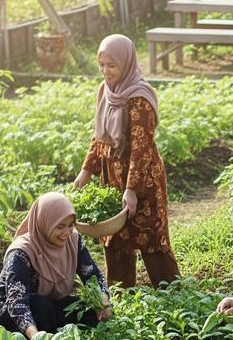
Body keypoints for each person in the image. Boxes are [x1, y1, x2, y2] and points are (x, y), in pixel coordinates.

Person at [73, 34, 180, 289]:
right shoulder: (106, 91)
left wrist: (131, 189)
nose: (105, 71)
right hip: (112, 175)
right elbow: (99, 135)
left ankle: (173, 292)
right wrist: (87, 170)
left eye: (112, 65)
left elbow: (141, 149)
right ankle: (122, 294)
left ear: (126, 62)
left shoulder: (139, 98)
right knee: (115, 238)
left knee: (151, 236)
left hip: (143, 177)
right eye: (101, 65)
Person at [0, 192, 113, 338]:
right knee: (41, 306)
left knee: (85, 308)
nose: (66, 232)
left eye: (70, 225)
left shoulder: (73, 240)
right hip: (6, 314)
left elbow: (92, 276)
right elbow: (17, 304)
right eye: (60, 227)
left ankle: (58, 336)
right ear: (44, 223)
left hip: (48, 304)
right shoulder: (21, 253)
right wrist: (37, 339)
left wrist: (103, 300)